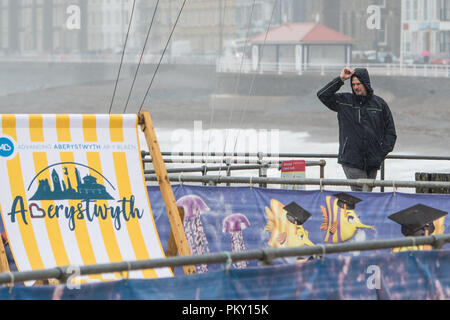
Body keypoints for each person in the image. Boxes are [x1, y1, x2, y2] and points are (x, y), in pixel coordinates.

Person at [317, 67, 397, 191]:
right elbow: (322, 95)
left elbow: (391, 132)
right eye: (353, 84)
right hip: (351, 159)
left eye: (358, 84)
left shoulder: (380, 104)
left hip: (373, 161)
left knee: (365, 197)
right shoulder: (344, 101)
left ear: (366, 83)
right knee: (361, 194)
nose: (355, 87)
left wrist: (380, 153)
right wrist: (341, 79)